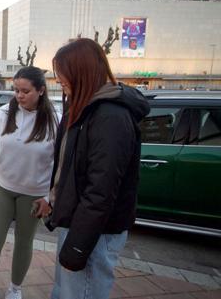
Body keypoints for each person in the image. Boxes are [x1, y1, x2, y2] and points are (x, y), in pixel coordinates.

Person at [48, 38, 150, 299]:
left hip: (95, 232)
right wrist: (53, 199)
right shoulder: (82, 108)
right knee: (65, 292)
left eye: (63, 75)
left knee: (81, 293)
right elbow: (70, 167)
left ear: (82, 73)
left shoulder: (110, 117)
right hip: (78, 222)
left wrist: (78, 246)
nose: (59, 81)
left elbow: (100, 192)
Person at [0, 66, 58, 299]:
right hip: (2, 187)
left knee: (24, 242)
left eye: (25, 91)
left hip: (34, 193)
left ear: (40, 90)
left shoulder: (53, 120)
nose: (19, 95)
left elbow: (61, 163)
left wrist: (49, 197)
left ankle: (15, 289)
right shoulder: (4, 114)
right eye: (16, 90)